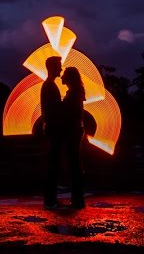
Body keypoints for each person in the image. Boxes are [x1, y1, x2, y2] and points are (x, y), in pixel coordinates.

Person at [60, 66, 86, 208]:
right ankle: (77, 197)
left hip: (72, 131)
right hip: (75, 130)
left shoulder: (74, 93)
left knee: (74, 163)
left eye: (64, 75)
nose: (61, 77)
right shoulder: (76, 92)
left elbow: (73, 112)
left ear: (69, 78)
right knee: (75, 163)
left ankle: (77, 198)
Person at [40, 56, 64, 208]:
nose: (61, 69)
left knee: (54, 163)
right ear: (52, 67)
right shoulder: (49, 86)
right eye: (59, 66)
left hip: (53, 127)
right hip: (54, 128)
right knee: (53, 164)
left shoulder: (49, 85)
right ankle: (50, 199)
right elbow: (53, 109)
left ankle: (51, 197)